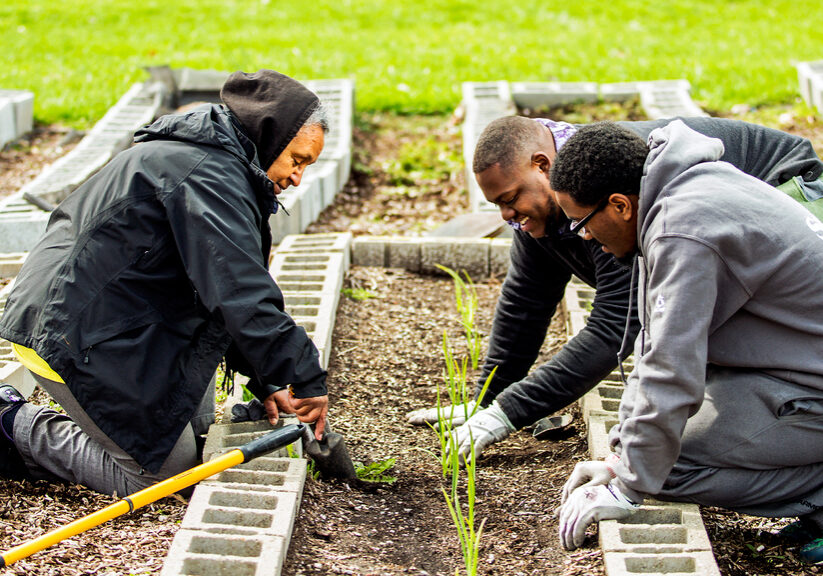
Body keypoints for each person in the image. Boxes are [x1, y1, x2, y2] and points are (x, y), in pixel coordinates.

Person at [407, 114, 823, 464]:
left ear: (542, 165)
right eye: (498, 204)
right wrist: (488, 401)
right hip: (715, 230)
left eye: (511, 198)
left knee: (715, 339)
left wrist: (508, 414)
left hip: (789, 189)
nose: (507, 215)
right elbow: (526, 301)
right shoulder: (549, 200)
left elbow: (617, 325)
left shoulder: (606, 190)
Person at [0, 69, 329, 497]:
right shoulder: (206, 175)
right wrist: (305, 378)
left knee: (191, 435)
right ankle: (11, 424)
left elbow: (219, 292)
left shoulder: (219, 165)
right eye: (297, 160)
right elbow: (241, 293)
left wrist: (267, 380)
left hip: (123, 319)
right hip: (67, 329)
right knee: (162, 477)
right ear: (269, 135)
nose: (297, 178)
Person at [552, 120, 823, 563]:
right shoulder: (687, 186)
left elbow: (671, 370)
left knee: (666, 466)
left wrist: (628, 484)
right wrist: (619, 455)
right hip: (795, 370)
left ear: (619, 205)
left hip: (808, 386)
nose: (586, 238)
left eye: (581, 223)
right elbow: (656, 347)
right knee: (653, 449)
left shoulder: (684, 230)